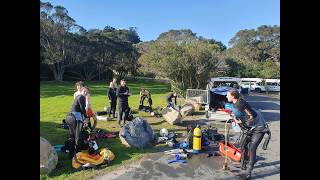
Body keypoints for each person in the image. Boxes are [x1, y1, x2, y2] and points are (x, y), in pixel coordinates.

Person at [226, 88, 269, 179]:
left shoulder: (240, 103)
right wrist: (235, 117)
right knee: (243, 145)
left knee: (252, 148)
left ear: (233, 96)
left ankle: (248, 173)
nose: (226, 96)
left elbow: (251, 116)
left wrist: (240, 122)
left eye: (227, 95)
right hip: (249, 128)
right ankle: (243, 164)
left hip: (259, 127)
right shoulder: (235, 103)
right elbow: (241, 114)